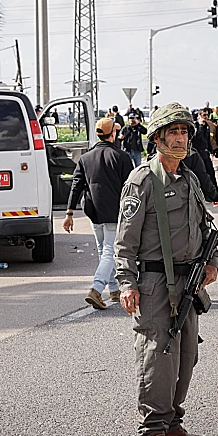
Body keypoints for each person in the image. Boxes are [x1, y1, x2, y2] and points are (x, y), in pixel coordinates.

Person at [114, 102, 218, 436]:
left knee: (186, 355)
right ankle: (152, 430)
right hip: (155, 282)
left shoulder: (189, 178)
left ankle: (173, 423)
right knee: (158, 355)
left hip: (189, 280)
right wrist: (126, 281)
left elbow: (207, 228)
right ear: (157, 139)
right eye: (173, 132)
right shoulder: (143, 180)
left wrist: (212, 261)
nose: (181, 138)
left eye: (185, 132)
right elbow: (125, 238)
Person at [64, 117, 133, 310]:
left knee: (104, 251)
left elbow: (76, 186)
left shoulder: (85, 158)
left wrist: (69, 213)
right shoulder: (122, 157)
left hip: (94, 211)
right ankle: (96, 289)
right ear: (113, 134)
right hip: (114, 212)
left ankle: (114, 290)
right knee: (110, 252)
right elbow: (131, 188)